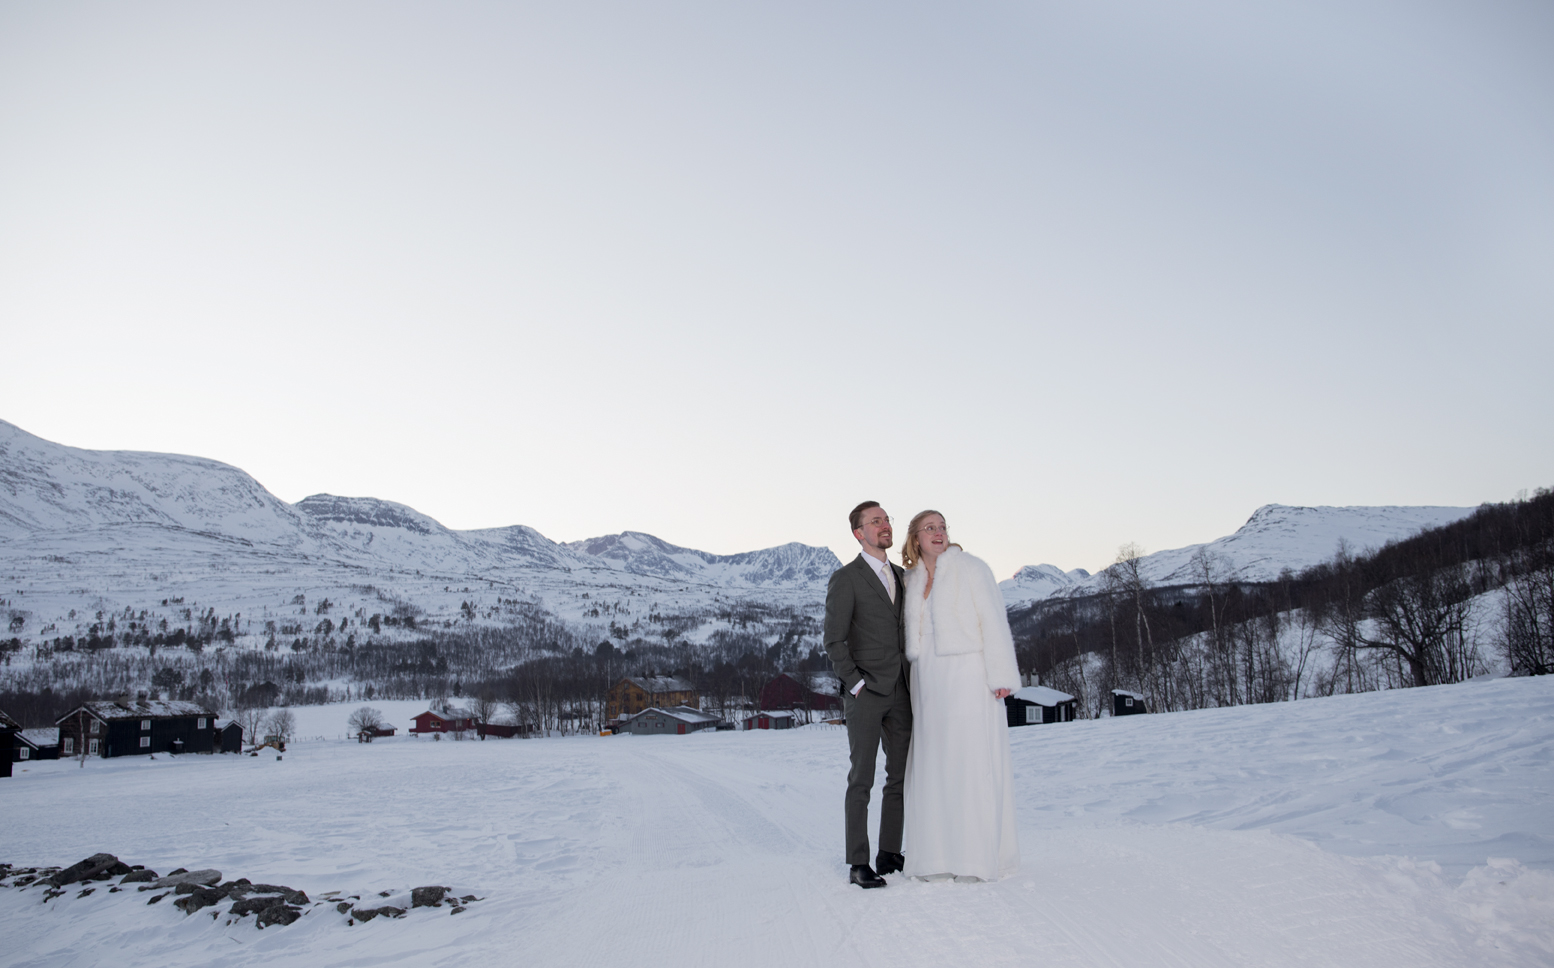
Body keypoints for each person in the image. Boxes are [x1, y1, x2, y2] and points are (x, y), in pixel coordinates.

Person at [899, 510, 1021, 881]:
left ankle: (974, 859)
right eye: (930, 528)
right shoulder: (911, 579)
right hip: (927, 676)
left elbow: (993, 621)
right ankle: (935, 857)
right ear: (915, 538)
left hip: (968, 672)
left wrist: (1001, 675)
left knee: (970, 760)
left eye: (942, 527)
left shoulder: (972, 568)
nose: (938, 533)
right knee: (933, 761)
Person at [824, 500, 912, 889]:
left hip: (903, 692)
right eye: (876, 521)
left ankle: (889, 853)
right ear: (859, 533)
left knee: (900, 776)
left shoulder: (903, 576)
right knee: (862, 777)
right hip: (866, 694)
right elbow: (834, 640)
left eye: (887, 519)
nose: (885, 525)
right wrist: (855, 684)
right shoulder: (846, 578)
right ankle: (858, 862)